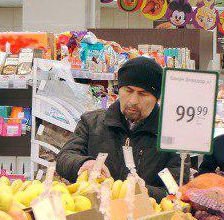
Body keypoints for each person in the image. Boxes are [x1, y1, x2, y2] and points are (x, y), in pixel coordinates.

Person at [55, 56, 177, 200]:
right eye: (128, 90)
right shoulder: (92, 122)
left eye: (142, 93)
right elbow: (64, 158)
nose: (133, 101)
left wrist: (145, 191)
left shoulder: (171, 135)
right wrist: (84, 163)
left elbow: (175, 188)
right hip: (94, 209)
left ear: (157, 97)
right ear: (119, 89)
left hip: (144, 212)